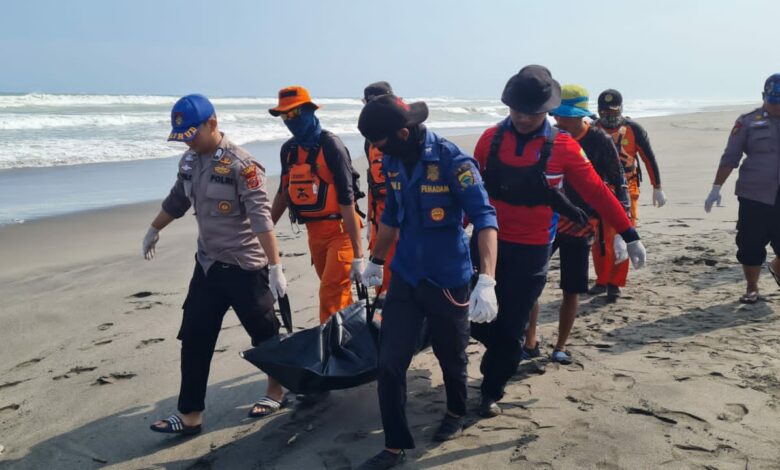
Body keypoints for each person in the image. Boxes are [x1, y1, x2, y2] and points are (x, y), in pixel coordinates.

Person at [471, 66, 646, 417]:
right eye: (517, 110)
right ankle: (502, 348)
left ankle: (491, 389)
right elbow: (470, 194)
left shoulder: (563, 147)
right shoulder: (489, 139)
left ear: (546, 111)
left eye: (531, 112)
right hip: (487, 243)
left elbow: (597, 190)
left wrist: (629, 233)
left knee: (512, 325)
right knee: (476, 320)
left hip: (533, 248)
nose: (522, 118)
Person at [355, 94, 499, 469]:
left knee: (452, 356)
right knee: (389, 361)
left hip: (448, 277)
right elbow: (392, 214)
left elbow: (485, 218)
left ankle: (455, 411)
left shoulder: (455, 161)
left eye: (380, 142)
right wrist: (375, 260)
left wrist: (487, 279)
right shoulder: (391, 159)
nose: (376, 149)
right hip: (405, 274)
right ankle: (394, 445)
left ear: (403, 132)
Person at [144, 94, 289, 435]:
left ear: (213, 124)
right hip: (208, 265)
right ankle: (191, 413)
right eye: (183, 137)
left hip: (245, 266)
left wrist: (275, 266)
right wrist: (154, 228)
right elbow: (177, 200)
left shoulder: (244, 166)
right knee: (194, 336)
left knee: (265, 335)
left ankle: (276, 391)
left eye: (193, 134)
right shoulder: (189, 161)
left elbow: (261, 219)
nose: (189, 142)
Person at [523, 84, 630, 364]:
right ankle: (530, 341)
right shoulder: (547, 137)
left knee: (572, 288)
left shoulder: (599, 141)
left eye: (566, 116)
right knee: (532, 283)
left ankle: (560, 345)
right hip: (545, 222)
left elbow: (618, 183)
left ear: (581, 115)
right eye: (556, 115)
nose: (560, 121)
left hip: (581, 223)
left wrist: (624, 230)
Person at [269, 86, 365, 324]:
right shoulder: (289, 150)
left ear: (310, 111)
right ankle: (353, 344)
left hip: (342, 231)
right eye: (284, 115)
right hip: (314, 234)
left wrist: (358, 255)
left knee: (329, 293)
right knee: (336, 291)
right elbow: (283, 192)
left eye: (294, 113)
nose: (289, 120)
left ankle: (331, 353)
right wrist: (265, 228)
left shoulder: (331, 146)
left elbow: (347, 199)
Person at [705, 73, 780, 304]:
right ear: (764, 97)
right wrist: (716, 187)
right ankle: (752, 287)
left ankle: (776, 267)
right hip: (754, 194)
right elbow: (730, 156)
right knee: (750, 243)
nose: (777, 106)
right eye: (774, 101)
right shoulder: (747, 121)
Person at [590, 88, 665, 300]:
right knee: (600, 238)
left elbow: (649, 158)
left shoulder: (633, 130)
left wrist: (657, 187)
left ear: (621, 110)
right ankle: (602, 279)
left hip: (627, 187)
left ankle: (615, 282)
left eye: (613, 112)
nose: (609, 116)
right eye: (604, 113)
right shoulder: (592, 130)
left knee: (624, 233)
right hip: (599, 189)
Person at [363, 81, 397, 294]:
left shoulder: (402, 135)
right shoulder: (370, 139)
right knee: (379, 277)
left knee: (396, 275)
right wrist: (369, 220)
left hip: (399, 218)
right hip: (378, 217)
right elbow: (372, 181)